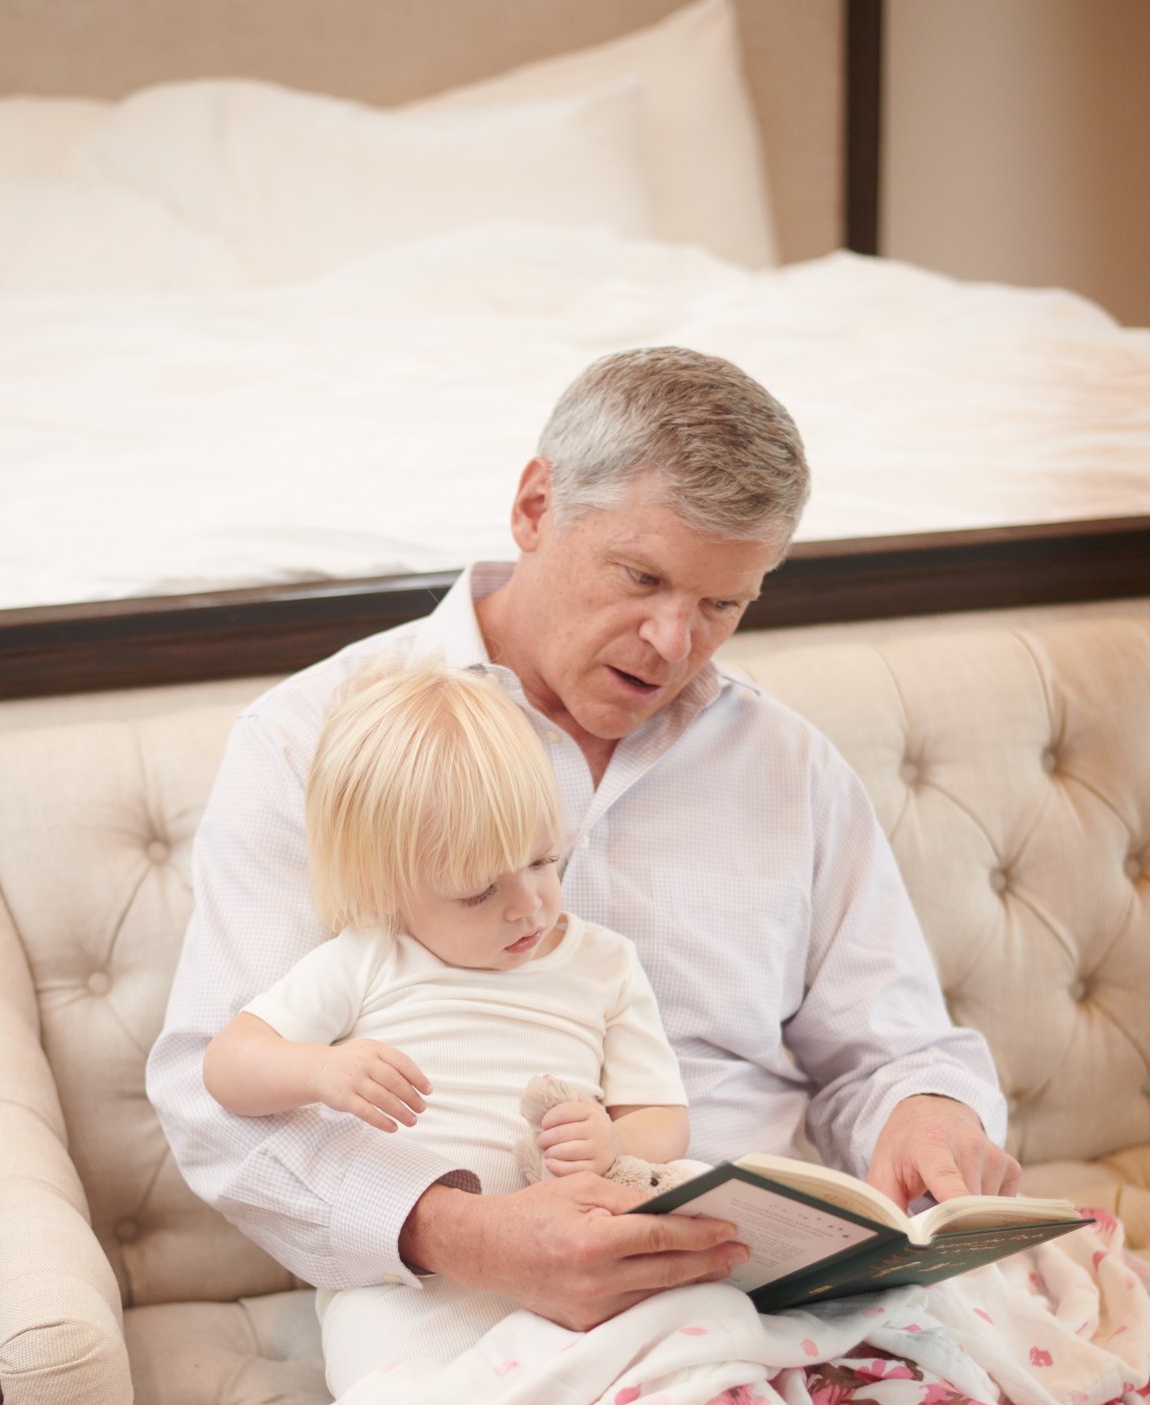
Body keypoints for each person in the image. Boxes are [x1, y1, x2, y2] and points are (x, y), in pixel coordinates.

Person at [147, 346, 1020, 1331]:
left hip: (783, 1288)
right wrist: (462, 1230)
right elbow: (212, 1094)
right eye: (641, 576)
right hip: (478, 1298)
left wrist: (928, 1114)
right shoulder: (312, 742)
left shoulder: (791, 767)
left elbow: (891, 1050)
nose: (671, 641)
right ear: (533, 507)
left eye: (721, 604)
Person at [201, 655, 712, 1395]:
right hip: (416, 1281)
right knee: (401, 1399)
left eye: (544, 860)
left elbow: (661, 1119)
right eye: (478, 892)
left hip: (582, 1254)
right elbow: (227, 1066)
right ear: (388, 885)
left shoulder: (602, 963)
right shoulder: (368, 959)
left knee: (692, 1263)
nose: (530, 905)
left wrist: (614, 1140)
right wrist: (319, 1071)